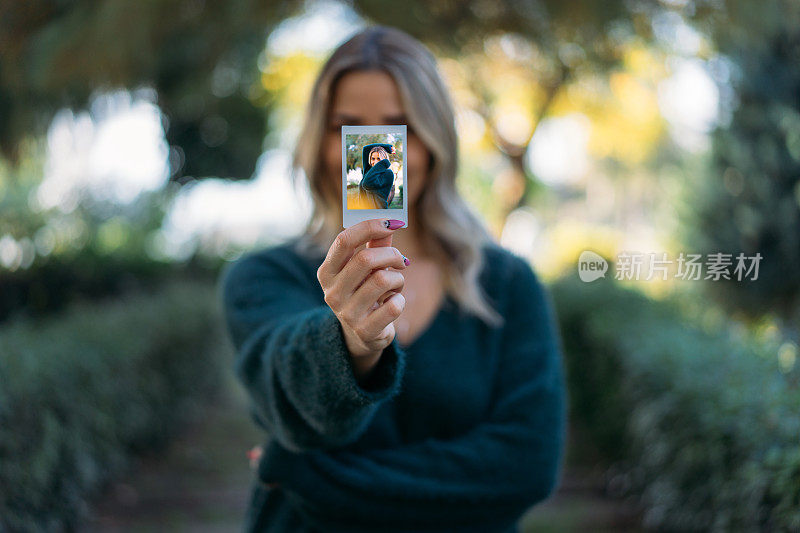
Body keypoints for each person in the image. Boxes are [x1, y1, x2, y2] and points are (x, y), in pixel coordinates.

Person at [219, 24, 566, 533]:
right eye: (348, 127)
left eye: (400, 127)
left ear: (434, 141)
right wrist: (351, 343)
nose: (376, 151)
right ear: (318, 142)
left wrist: (305, 475)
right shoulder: (264, 277)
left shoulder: (507, 285)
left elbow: (523, 470)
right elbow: (291, 399)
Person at [360, 143, 397, 208]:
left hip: (379, 211)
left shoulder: (388, 173)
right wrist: (388, 147)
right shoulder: (369, 171)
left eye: (379, 159)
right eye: (373, 159)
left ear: (384, 160)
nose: (375, 162)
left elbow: (366, 184)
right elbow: (366, 149)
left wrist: (384, 163)